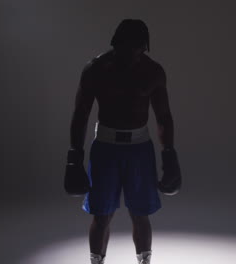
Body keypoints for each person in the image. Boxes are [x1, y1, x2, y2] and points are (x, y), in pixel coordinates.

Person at [64, 19, 182, 264]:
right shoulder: (96, 69)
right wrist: (74, 157)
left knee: (140, 213)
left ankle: (144, 261)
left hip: (139, 149)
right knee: (102, 214)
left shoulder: (152, 72)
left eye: (137, 47)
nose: (132, 53)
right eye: (127, 46)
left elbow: (164, 116)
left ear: (144, 47)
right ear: (116, 44)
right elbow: (80, 114)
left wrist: (169, 155)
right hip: (106, 148)